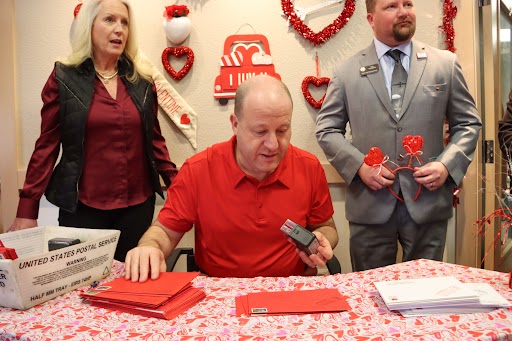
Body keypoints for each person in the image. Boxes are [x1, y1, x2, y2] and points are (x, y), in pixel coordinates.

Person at [315, 0, 481, 272]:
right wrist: (360, 168)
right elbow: (327, 130)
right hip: (369, 207)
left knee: (425, 293)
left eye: (408, 3)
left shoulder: (445, 65)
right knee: (369, 294)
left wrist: (446, 165)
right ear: (370, 19)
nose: (404, 11)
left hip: (427, 203)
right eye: (392, 6)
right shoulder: (345, 73)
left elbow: (469, 124)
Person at [8, 0, 177, 262]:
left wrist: (179, 190)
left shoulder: (141, 80)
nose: (119, 29)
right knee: (84, 292)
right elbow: (46, 146)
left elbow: (155, 141)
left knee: (132, 288)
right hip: (83, 209)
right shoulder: (63, 78)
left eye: (124, 22)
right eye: (110, 20)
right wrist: (27, 210)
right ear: (89, 26)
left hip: (137, 207)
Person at [125, 75, 338, 281]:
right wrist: (149, 248)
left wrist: (322, 240)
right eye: (260, 132)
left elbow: (327, 227)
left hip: (291, 289)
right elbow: (163, 232)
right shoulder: (198, 170)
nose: (273, 144)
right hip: (218, 294)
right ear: (235, 124)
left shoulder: (309, 167)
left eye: (282, 130)